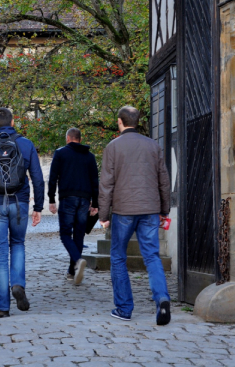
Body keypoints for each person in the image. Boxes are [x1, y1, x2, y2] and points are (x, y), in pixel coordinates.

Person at [98, 106, 171, 325]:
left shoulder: (113, 147)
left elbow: (106, 184)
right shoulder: (153, 145)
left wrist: (103, 215)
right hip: (149, 209)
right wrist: (164, 210)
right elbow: (164, 180)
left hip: (123, 210)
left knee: (118, 257)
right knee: (152, 256)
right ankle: (162, 298)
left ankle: (124, 308)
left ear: (120, 121)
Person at [0, 108, 44, 318]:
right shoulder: (26, 143)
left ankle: (3, 307)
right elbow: (38, 179)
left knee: (1, 253)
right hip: (19, 203)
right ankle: (18, 284)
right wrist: (38, 207)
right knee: (18, 244)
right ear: (13, 122)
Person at [48, 127, 99, 285]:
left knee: (65, 234)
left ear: (68, 138)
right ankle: (72, 271)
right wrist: (95, 203)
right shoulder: (90, 157)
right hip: (84, 200)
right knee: (79, 235)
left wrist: (51, 199)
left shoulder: (61, 153)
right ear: (80, 139)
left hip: (67, 198)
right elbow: (95, 181)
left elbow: (53, 177)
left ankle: (77, 261)